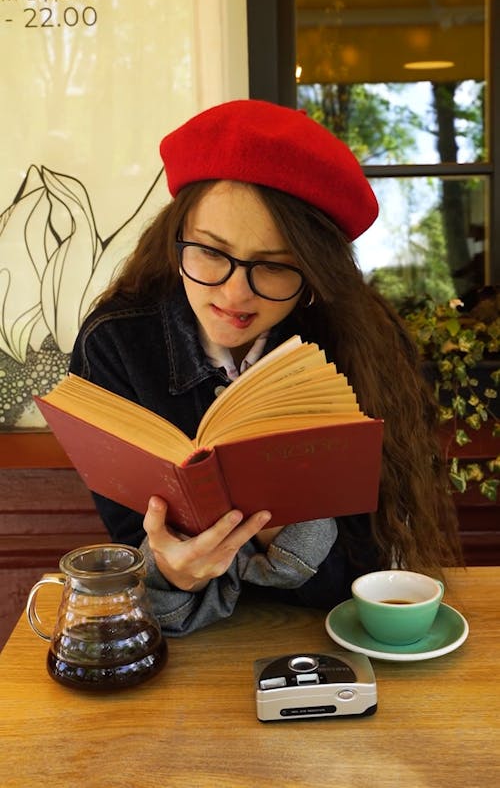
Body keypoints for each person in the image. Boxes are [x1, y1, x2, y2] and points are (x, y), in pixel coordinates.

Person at [69, 99, 463, 636]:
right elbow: (129, 545)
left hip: (327, 636)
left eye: (275, 266)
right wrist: (169, 572)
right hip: (186, 657)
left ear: (315, 271)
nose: (234, 293)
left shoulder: (362, 346)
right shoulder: (114, 344)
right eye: (210, 252)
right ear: (175, 237)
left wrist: (282, 529)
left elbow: (366, 573)